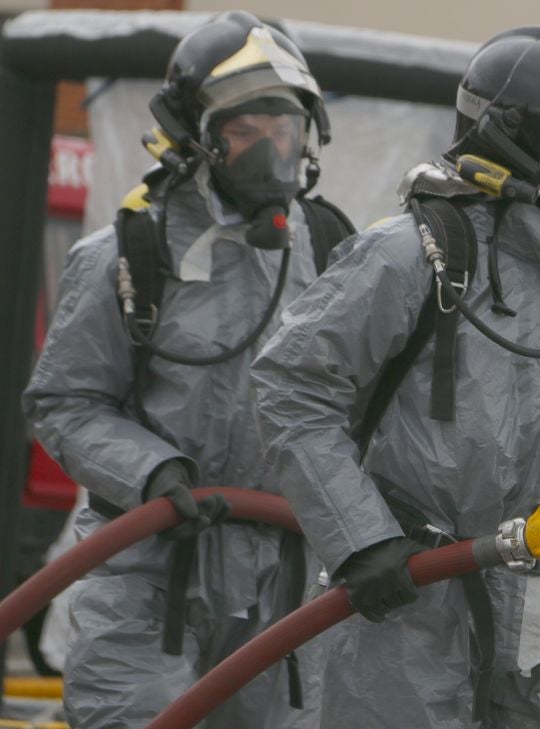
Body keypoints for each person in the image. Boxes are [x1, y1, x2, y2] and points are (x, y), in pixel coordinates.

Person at [251, 25, 540, 729]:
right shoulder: (412, 256)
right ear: (514, 149)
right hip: (414, 621)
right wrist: (359, 537)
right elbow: (289, 385)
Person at [22, 11, 352, 728]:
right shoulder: (125, 257)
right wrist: (153, 473)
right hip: (150, 580)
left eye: (285, 129)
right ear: (195, 137)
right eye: (245, 130)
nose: (271, 149)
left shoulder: (332, 251)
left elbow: (374, 406)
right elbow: (64, 401)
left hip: (288, 586)